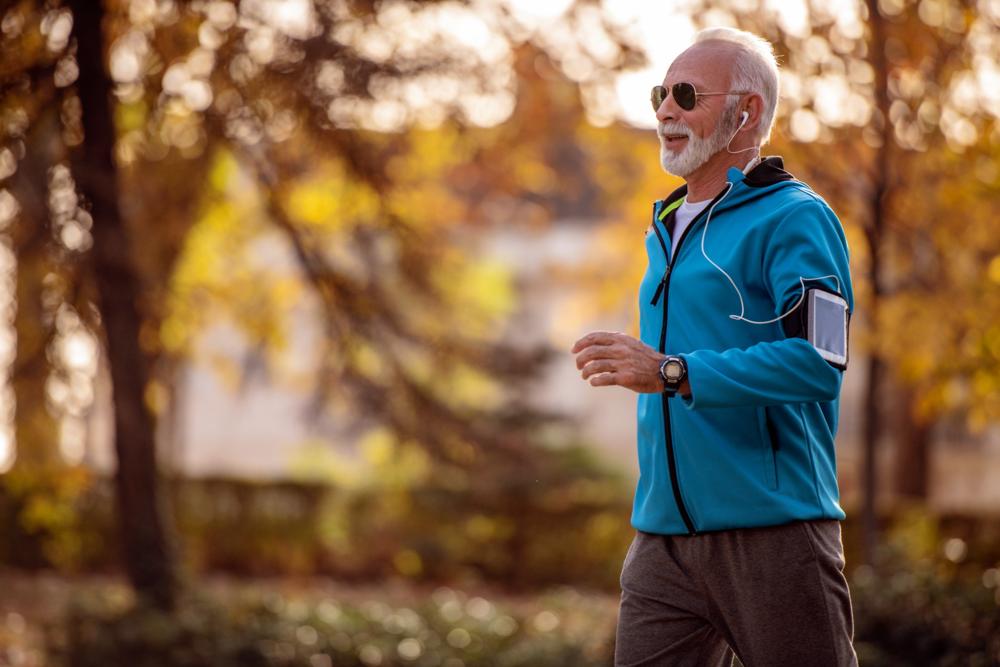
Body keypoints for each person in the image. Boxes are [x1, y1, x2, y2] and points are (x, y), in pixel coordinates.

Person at [570, 27, 859, 667]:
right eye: (659, 95)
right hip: (662, 541)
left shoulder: (794, 217)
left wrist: (670, 371)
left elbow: (820, 360)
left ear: (746, 112)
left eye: (685, 94)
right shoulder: (665, 228)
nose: (665, 111)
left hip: (774, 533)